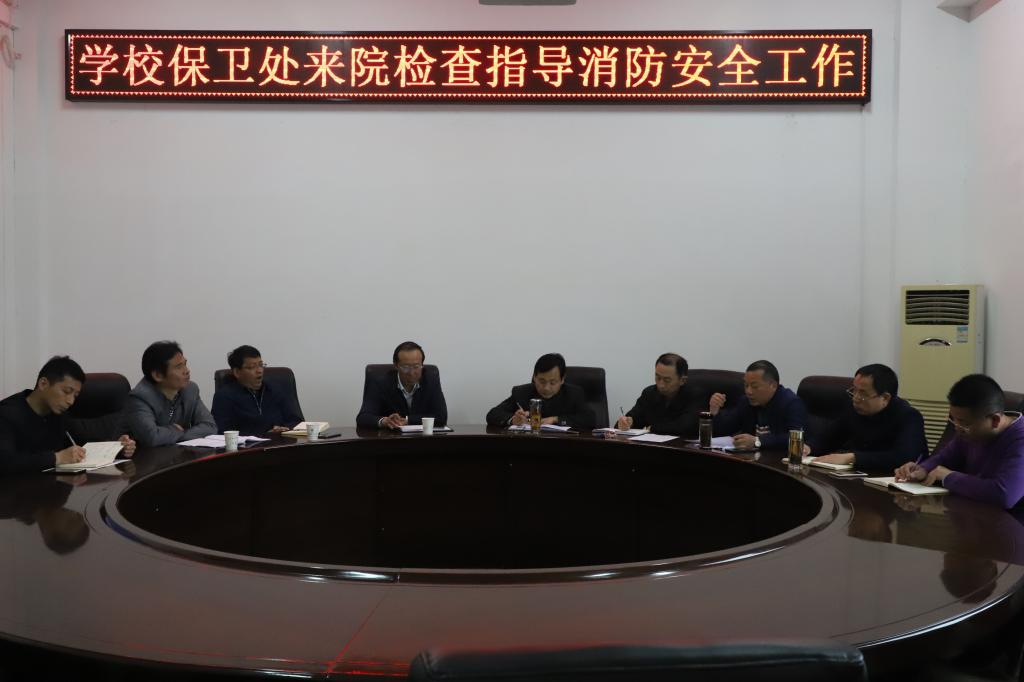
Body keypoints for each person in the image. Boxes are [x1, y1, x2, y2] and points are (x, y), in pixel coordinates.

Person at [895, 374, 1024, 509]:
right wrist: (922, 469)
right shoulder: (967, 432)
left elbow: (1004, 494)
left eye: (964, 423)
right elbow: (945, 458)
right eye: (953, 420)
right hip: (972, 511)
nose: (957, 428)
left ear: (995, 420)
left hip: (1010, 519)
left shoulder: (1019, 438)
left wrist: (949, 477)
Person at [0, 356, 136, 474]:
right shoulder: (7, 414)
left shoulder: (58, 412)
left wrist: (116, 447)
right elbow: (5, 462)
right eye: (66, 391)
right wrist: (57, 458)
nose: (71, 401)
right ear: (43, 384)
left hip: (53, 487)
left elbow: (80, 441)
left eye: (75, 395)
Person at [808, 364, 928, 472]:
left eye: (863, 394)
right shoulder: (853, 409)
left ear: (885, 398)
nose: (855, 398)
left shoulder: (909, 417)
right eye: (854, 390)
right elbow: (829, 438)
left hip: (894, 481)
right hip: (860, 476)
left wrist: (853, 458)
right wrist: (808, 447)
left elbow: (903, 457)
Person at [121, 341, 216, 447]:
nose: (187, 371)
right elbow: (152, 438)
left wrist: (180, 433)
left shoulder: (190, 389)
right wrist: (175, 430)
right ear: (158, 375)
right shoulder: (139, 398)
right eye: (179, 367)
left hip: (176, 453)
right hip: (144, 456)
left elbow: (210, 426)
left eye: (185, 364)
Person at [709, 360, 806, 450]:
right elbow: (724, 430)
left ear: (773, 385)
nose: (748, 391)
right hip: (751, 458)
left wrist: (757, 441)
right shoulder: (745, 402)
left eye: (754, 386)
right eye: (746, 385)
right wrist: (714, 411)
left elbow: (795, 438)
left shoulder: (791, 403)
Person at [486, 353, 595, 430]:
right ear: (534, 377)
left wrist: (555, 419)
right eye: (542, 381)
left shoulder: (574, 394)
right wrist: (513, 420)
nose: (546, 387)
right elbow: (492, 414)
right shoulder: (521, 393)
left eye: (552, 382)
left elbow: (590, 419)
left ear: (562, 380)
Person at [211, 345, 303, 435]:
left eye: (261, 365)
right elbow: (223, 432)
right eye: (252, 367)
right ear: (237, 372)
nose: (259, 371)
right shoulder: (224, 397)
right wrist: (265, 433)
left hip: (282, 442)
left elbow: (296, 421)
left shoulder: (275, 390)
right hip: (248, 445)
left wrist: (284, 429)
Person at [356, 341, 448, 430]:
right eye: (406, 367)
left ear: (422, 365)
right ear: (396, 365)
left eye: (416, 366)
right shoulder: (380, 383)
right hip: (391, 437)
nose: (411, 373)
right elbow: (363, 417)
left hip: (422, 438)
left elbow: (441, 417)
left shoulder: (431, 380)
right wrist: (384, 421)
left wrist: (408, 420)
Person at [617, 353, 700, 436]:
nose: (661, 385)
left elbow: (686, 427)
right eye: (658, 378)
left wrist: (652, 428)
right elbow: (633, 418)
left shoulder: (695, 395)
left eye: (667, 380)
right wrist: (627, 422)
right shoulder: (649, 393)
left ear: (682, 380)